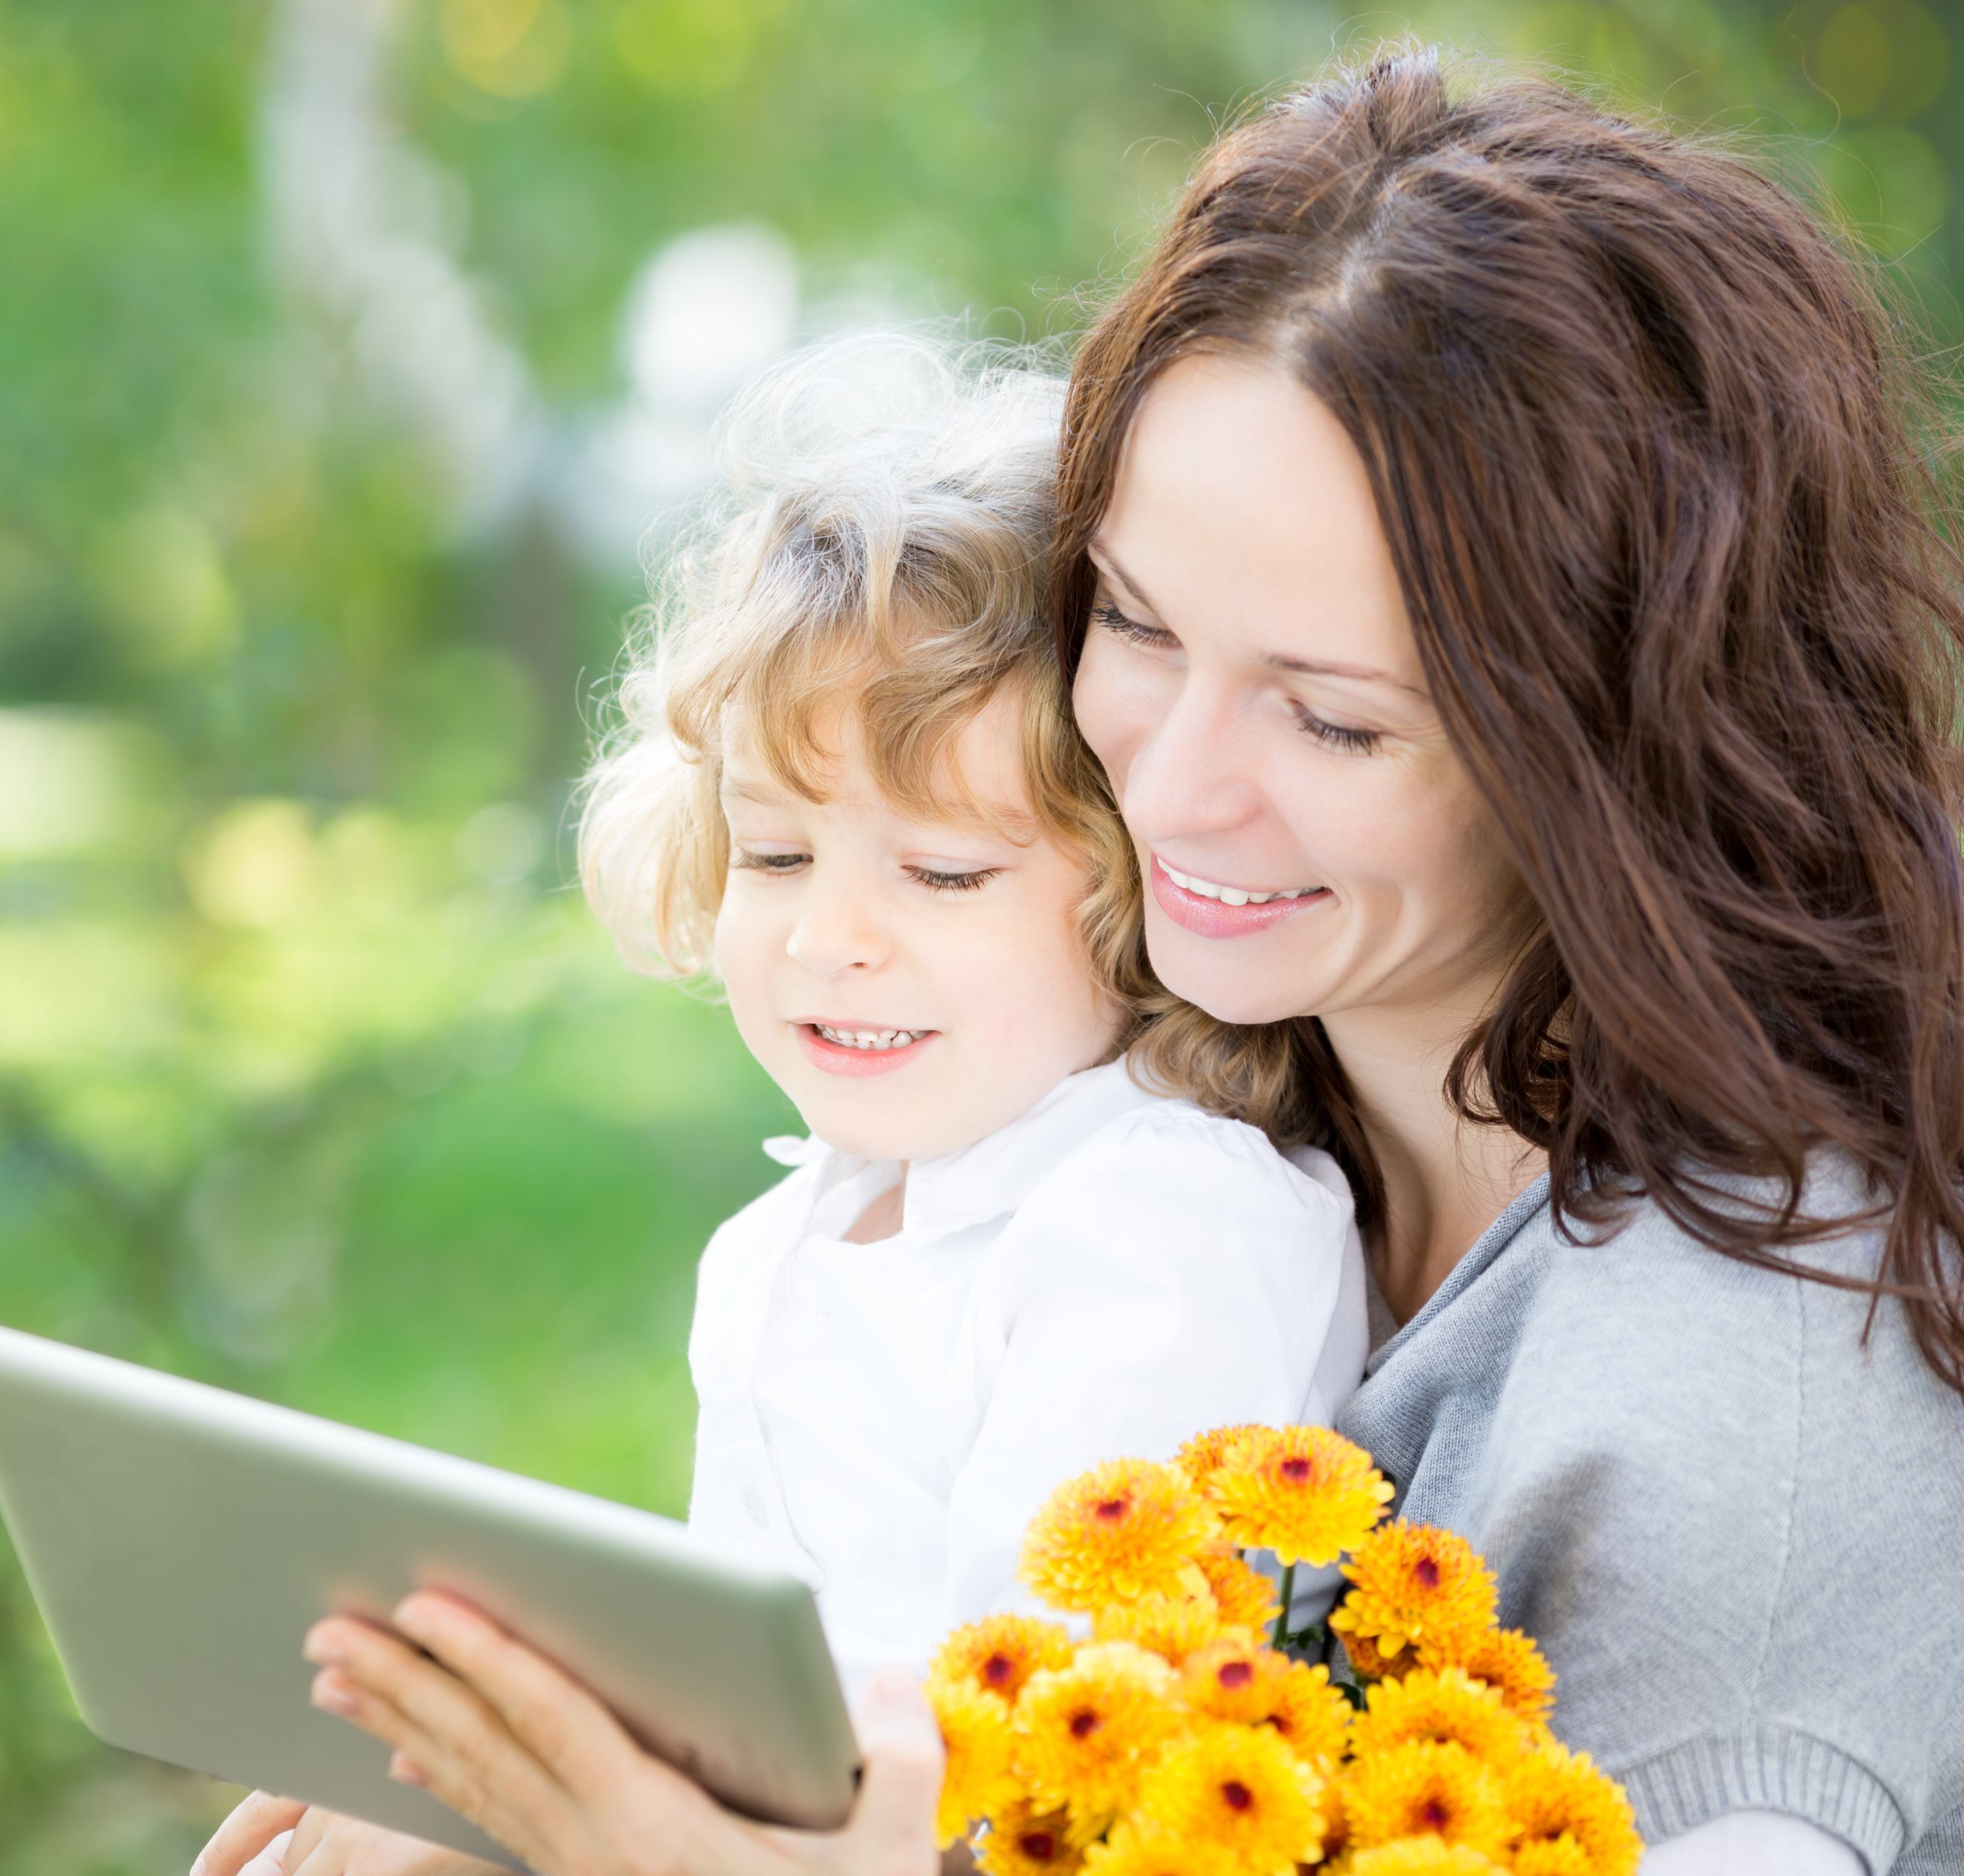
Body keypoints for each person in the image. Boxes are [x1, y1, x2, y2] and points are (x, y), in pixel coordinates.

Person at [266, 47, 1964, 1876]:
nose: (1167, 788)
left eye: (1332, 723)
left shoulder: (1739, 1421)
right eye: (1136, 625)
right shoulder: (1170, 1053)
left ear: (1612, 741)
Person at [198, 331, 1366, 1874]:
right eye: (774, 853)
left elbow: (1027, 1759)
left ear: (1145, 886)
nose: (830, 938)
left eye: (944, 870)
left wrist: (526, 1812)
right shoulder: (792, 1233)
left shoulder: (1161, 1221)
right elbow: (749, 1697)